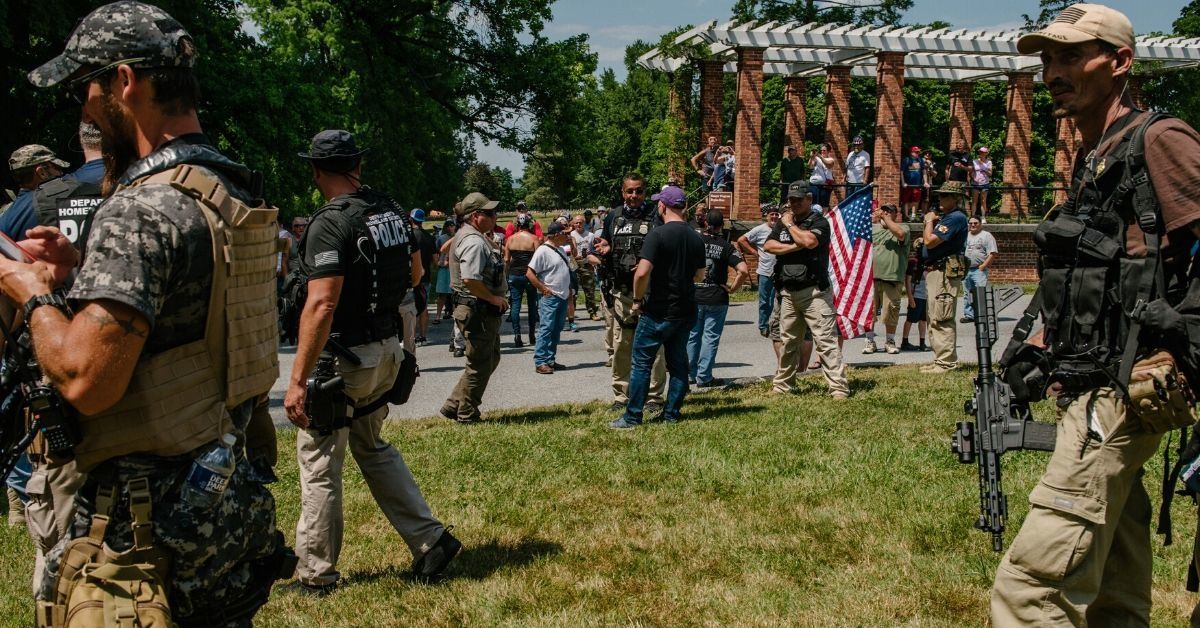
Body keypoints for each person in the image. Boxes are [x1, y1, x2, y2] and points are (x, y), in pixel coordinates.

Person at [13, 2, 289, 620]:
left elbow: (87, 378)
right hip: (221, 516)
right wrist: (82, 271)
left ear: (124, 80)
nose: (84, 105)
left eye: (87, 85)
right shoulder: (229, 189)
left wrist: (27, 290)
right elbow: (192, 311)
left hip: (139, 536)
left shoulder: (140, 209)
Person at [991, 5, 1200, 623]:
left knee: (1033, 588)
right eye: (1048, 59)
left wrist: (1178, 350)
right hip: (1092, 382)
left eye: (1073, 56)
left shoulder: (1160, 139)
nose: (1054, 71)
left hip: (1127, 388)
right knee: (1112, 586)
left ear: (1121, 63)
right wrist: (1047, 349)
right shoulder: (1094, 155)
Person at [286, 129, 458, 594]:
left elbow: (321, 304)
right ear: (357, 164)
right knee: (372, 446)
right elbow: (416, 274)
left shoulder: (330, 222)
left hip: (344, 360)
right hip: (384, 350)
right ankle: (431, 539)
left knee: (320, 463)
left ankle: (315, 574)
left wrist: (297, 379)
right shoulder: (389, 209)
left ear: (316, 170)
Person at [609, 186, 705, 428]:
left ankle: (632, 417)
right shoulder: (696, 236)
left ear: (662, 206)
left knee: (641, 363)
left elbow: (641, 273)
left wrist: (638, 300)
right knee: (679, 365)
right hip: (684, 310)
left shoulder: (657, 234)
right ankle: (671, 414)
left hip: (658, 310)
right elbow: (699, 275)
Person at [764, 182, 849, 399]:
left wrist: (791, 226)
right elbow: (769, 246)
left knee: (826, 341)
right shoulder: (782, 223)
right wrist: (794, 245)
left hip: (814, 293)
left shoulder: (818, 221)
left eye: (798, 199)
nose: (794, 203)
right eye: (791, 199)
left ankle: (838, 388)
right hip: (788, 293)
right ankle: (783, 385)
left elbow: (810, 241)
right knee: (789, 341)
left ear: (809, 199)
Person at [595, 173, 667, 411]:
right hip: (622, 292)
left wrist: (650, 263)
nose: (634, 196)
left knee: (654, 347)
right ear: (622, 192)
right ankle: (621, 396)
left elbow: (668, 249)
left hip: (652, 291)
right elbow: (604, 245)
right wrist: (605, 248)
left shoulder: (657, 215)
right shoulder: (614, 216)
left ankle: (654, 397)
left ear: (644, 192)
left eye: (638, 191)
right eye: (629, 191)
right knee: (622, 345)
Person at [441, 192, 509, 423]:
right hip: (478, 309)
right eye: (490, 213)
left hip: (476, 309)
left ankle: (454, 404)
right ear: (476, 216)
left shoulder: (470, 235)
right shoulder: (473, 241)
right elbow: (471, 279)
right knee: (479, 364)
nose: (495, 216)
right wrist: (493, 299)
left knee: (490, 358)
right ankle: (467, 411)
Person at [688, 209, 747, 387]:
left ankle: (689, 374)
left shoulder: (692, 242)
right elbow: (743, 270)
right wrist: (732, 288)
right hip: (717, 296)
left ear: (705, 223)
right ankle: (704, 376)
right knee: (710, 337)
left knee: (692, 336)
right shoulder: (725, 246)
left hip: (694, 295)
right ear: (721, 225)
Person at [919, 180, 969, 373]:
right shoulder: (948, 217)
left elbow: (930, 242)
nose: (940, 198)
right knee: (934, 316)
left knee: (942, 316)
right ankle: (940, 358)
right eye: (940, 195)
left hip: (944, 273)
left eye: (945, 195)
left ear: (956, 198)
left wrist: (929, 221)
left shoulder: (955, 218)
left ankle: (947, 362)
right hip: (936, 271)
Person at [527, 221, 574, 373]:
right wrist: (543, 288)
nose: (567, 235)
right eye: (564, 233)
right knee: (546, 329)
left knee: (556, 329)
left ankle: (550, 359)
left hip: (562, 296)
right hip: (550, 296)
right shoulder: (542, 251)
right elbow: (529, 273)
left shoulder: (561, 248)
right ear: (555, 235)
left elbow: (573, 258)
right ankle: (540, 361)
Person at [863, 204, 910, 355]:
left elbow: (900, 234)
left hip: (892, 277)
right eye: (884, 211)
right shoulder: (872, 228)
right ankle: (870, 341)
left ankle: (890, 341)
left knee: (891, 310)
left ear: (896, 214)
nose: (886, 213)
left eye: (890, 211)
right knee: (869, 312)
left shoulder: (904, 227)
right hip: (871, 277)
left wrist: (885, 217)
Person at [0, 145, 70, 240]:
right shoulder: (60, 200)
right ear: (41, 172)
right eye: (56, 168)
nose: (61, 173)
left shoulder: (6, 216)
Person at [737, 203, 780, 337]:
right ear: (766, 216)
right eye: (771, 214)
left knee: (777, 300)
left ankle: (775, 325)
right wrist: (755, 253)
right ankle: (763, 325)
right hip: (765, 271)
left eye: (776, 214)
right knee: (764, 301)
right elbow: (741, 240)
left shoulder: (781, 228)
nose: (774, 217)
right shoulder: (759, 229)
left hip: (779, 271)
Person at [504, 213, 540, 348]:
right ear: (529, 225)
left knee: (515, 306)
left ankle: (517, 335)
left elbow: (507, 260)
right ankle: (532, 335)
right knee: (532, 305)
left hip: (514, 275)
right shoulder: (534, 238)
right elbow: (538, 259)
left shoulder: (510, 239)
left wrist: (506, 275)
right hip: (530, 275)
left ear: (517, 225)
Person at [960, 217, 997, 322]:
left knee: (980, 293)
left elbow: (992, 253)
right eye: (970, 223)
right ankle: (969, 315)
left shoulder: (986, 235)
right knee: (967, 293)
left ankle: (982, 315)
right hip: (966, 270)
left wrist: (984, 266)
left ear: (980, 224)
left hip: (979, 270)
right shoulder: (965, 236)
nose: (973, 225)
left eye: (975, 223)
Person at [410, 208, 436, 346]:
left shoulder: (409, 236)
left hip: (411, 278)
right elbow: (435, 261)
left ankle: (411, 337)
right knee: (423, 307)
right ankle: (423, 336)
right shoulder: (429, 237)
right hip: (426, 277)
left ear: (411, 219)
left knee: (411, 308)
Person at [900, 238, 929, 352]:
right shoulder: (913, 262)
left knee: (923, 320)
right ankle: (905, 341)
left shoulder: (927, 263)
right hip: (916, 295)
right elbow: (907, 281)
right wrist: (910, 297)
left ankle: (922, 342)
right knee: (910, 319)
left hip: (925, 295)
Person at [571, 214, 600, 321]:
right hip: (573, 266)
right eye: (576, 222)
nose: (579, 224)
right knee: (573, 291)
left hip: (586, 265)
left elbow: (595, 250)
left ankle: (592, 312)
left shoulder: (590, 235)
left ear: (584, 223)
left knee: (590, 291)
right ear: (573, 224)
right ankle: (571, 314)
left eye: (581, 222)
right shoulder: (570, 235)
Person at [434, 217, 456, 325]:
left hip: (454, 268)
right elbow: (436, 251)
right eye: (448, 225)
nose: (450, 227)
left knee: (455, 294)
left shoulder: (458, 237)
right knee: (441, 294)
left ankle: (457, 316)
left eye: (452, 225)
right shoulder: (441, 238)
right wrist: (438, 262)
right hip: (443, 268)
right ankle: (437, 316)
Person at [900, 146, 924, 221]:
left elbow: (924, 171)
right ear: (911, 152)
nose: (918, 153)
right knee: (906, 200)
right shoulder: (907, 160)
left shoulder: (920, 160)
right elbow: (901, 171)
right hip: (907, 185)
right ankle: (906, 216)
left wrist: (925, 182)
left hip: (917, 184)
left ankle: (913, 216)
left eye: (918, 152)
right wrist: (903, 182)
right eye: (916, 152)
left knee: (915, 200)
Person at [970, 146, 993, 221]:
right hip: (976, 183)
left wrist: (984, 169)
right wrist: (973, 178)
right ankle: (973, 217)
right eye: (980, 152)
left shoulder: (989, 162)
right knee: (974, 200)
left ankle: (983, 217)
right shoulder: (974, 161)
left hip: (985, 183)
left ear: (986, 153)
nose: (981, 153)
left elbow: (990, 174)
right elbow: (971, 171)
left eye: (983, 152)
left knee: (983, 200)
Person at [808, 144, 835, 208]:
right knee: (814, 202)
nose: (822, 152)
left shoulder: (830, 159)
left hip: (825, 185)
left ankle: (823, 217)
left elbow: (828, 165)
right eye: (821, 150)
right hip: (815, 183)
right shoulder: (816, 158)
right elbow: (810, 166)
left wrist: (820, 157)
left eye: (824, 150)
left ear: (828, 151)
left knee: (824, 203)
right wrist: (811, 157)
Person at [920, 149, 937, 216]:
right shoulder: (920, 161)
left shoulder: (932, 163)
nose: (927, 155)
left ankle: (924, 214)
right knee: (919, 199)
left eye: (929, 154)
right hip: (919, 181)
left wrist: (930, 167)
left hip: (929, 182)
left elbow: (935, 174)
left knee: (927, 199)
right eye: (926, 153)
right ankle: (918, 214)